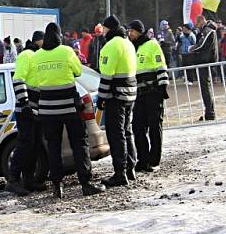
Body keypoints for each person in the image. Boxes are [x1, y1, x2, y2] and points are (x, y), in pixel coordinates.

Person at [18, 24, 105, 198]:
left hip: (47, 110)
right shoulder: (66, 52)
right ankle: (86, 184)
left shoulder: (37, 56)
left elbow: (34, 82)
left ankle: (57, 186)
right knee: (79, 144)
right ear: (59, 37)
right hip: (69, 108)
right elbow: (78, 71)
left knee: (53, 147)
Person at [97, 14, 138, 187]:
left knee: (116, 133)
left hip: (116, 96)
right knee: (127, 131)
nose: (103, 31)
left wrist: (101, 98)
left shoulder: (111, 45)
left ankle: (120, 172)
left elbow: (107, 76)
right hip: (130, 94)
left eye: (104, 28)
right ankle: (130, 167)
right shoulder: (127, 42)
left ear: (109, 28)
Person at [127, 20, 169, 173]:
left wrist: (162, 88)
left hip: (153, 92)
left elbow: (161, 66)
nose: (129, 33)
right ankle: (142, 159)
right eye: (129, 31)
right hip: (138, 94)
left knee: (154, 128)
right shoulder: (131, 48)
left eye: (132, 31)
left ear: (139, 31)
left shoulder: (152, 45)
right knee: (138, 128)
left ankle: (154, 160)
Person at [6, 33, 43, 196]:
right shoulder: (26, 55)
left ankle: (29, 180)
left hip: (36, 110)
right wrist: (25, 103)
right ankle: (13, 180)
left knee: (33, 146)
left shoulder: (36, 55)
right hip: (26, 110)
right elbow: (18, 79)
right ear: (38, 41)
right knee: (24, 145)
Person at [189, 14, 218, 121]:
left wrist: (192, 48)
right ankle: (209, 112)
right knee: (205, 88)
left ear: (201, 21)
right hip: (204, 61)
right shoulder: (207, 30)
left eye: (197, 23)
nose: (196, 26)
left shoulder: (208, 30)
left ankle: (210, 113)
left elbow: (202, 44)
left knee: (205, 88)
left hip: (205, 61)